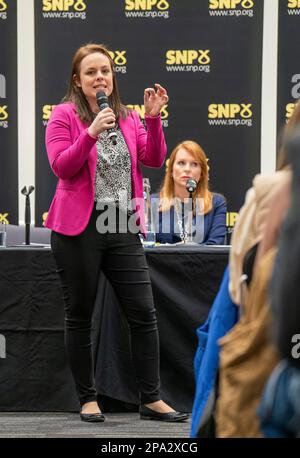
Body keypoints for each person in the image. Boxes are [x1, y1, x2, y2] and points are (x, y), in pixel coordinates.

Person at [45, 43, 188, 423]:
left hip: (122, 221)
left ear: (113, 76)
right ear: (78, 81)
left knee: (143, 312)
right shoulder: (63, 116)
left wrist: (154, 120)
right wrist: (90, 132)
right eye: (91, 72)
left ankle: (151, 398)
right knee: (80, 314)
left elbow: (154, 159)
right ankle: (88, 398)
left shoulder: (128, 117)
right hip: (79, 227)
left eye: (105, 71)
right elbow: (62, 166)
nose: (100, 78)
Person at [152, 140, 227, 244]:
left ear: (202, 173)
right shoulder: (152, 203)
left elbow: (215, 246)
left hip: (204, 261)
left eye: (194, 164)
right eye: (181, 163)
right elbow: (147, 248)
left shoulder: (216, 203)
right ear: (171, 171)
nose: (187, 169)